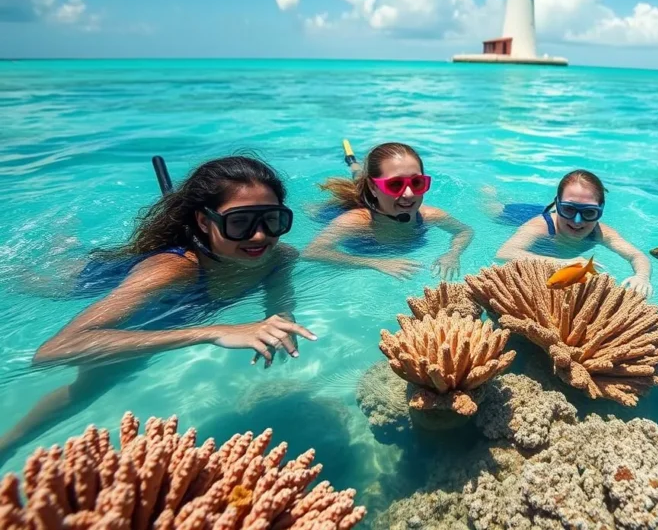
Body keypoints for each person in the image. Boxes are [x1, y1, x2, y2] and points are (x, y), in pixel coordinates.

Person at [0, 155, 316, 465]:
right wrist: (213, 332)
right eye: (239, 222)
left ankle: (65, 242)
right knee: (92, 379)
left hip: (166, 303)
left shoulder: (279, 258)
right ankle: (8, 445)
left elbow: (280, 305)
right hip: (85, 281)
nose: (260, 235)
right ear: (204, 221)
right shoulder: (171, 271)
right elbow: (53, 352)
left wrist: (282, 324)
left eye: (272, 219)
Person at [303, 142, 473, 281]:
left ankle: (357, 168)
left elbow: (465, 231)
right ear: (373, 187)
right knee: (313, 210)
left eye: (417, 182)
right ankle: (354, 166)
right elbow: (312, 252)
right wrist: (376, 263)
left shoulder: (431, 215)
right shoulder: (355, 222)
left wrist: (453, 254)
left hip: (374, 190)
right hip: (335, 212)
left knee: (359, 177)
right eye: (395, 184)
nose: (409, 194)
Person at [494, 169, 654, 297]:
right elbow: (504, 253)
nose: (577, 221)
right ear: (557, 205)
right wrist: (562, 262)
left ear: (601, 210)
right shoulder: (540, 226)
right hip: (519, 215)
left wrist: (642, 277)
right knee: (493, 209)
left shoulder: (600, 232)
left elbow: (637, 256)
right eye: (569, 209)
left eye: (589, 212)